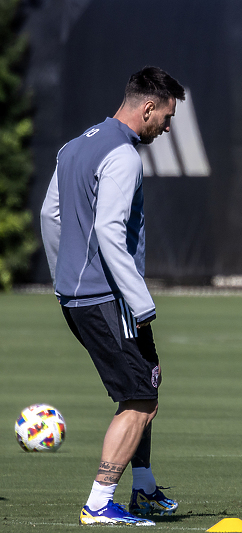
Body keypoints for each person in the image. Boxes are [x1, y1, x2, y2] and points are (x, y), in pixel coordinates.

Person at [40, 66, 185, 526]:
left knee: (145, 388)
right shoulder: (123, 155)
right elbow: (108, 229)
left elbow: (49, 215)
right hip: (109, 299)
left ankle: (142, 489)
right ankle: (100, 501)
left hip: (81, 297)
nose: (167, 126)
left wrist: (65, 277)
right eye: (166, 116)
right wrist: (140, 302)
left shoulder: (75, 146)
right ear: (147, 107)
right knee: (140, 399)